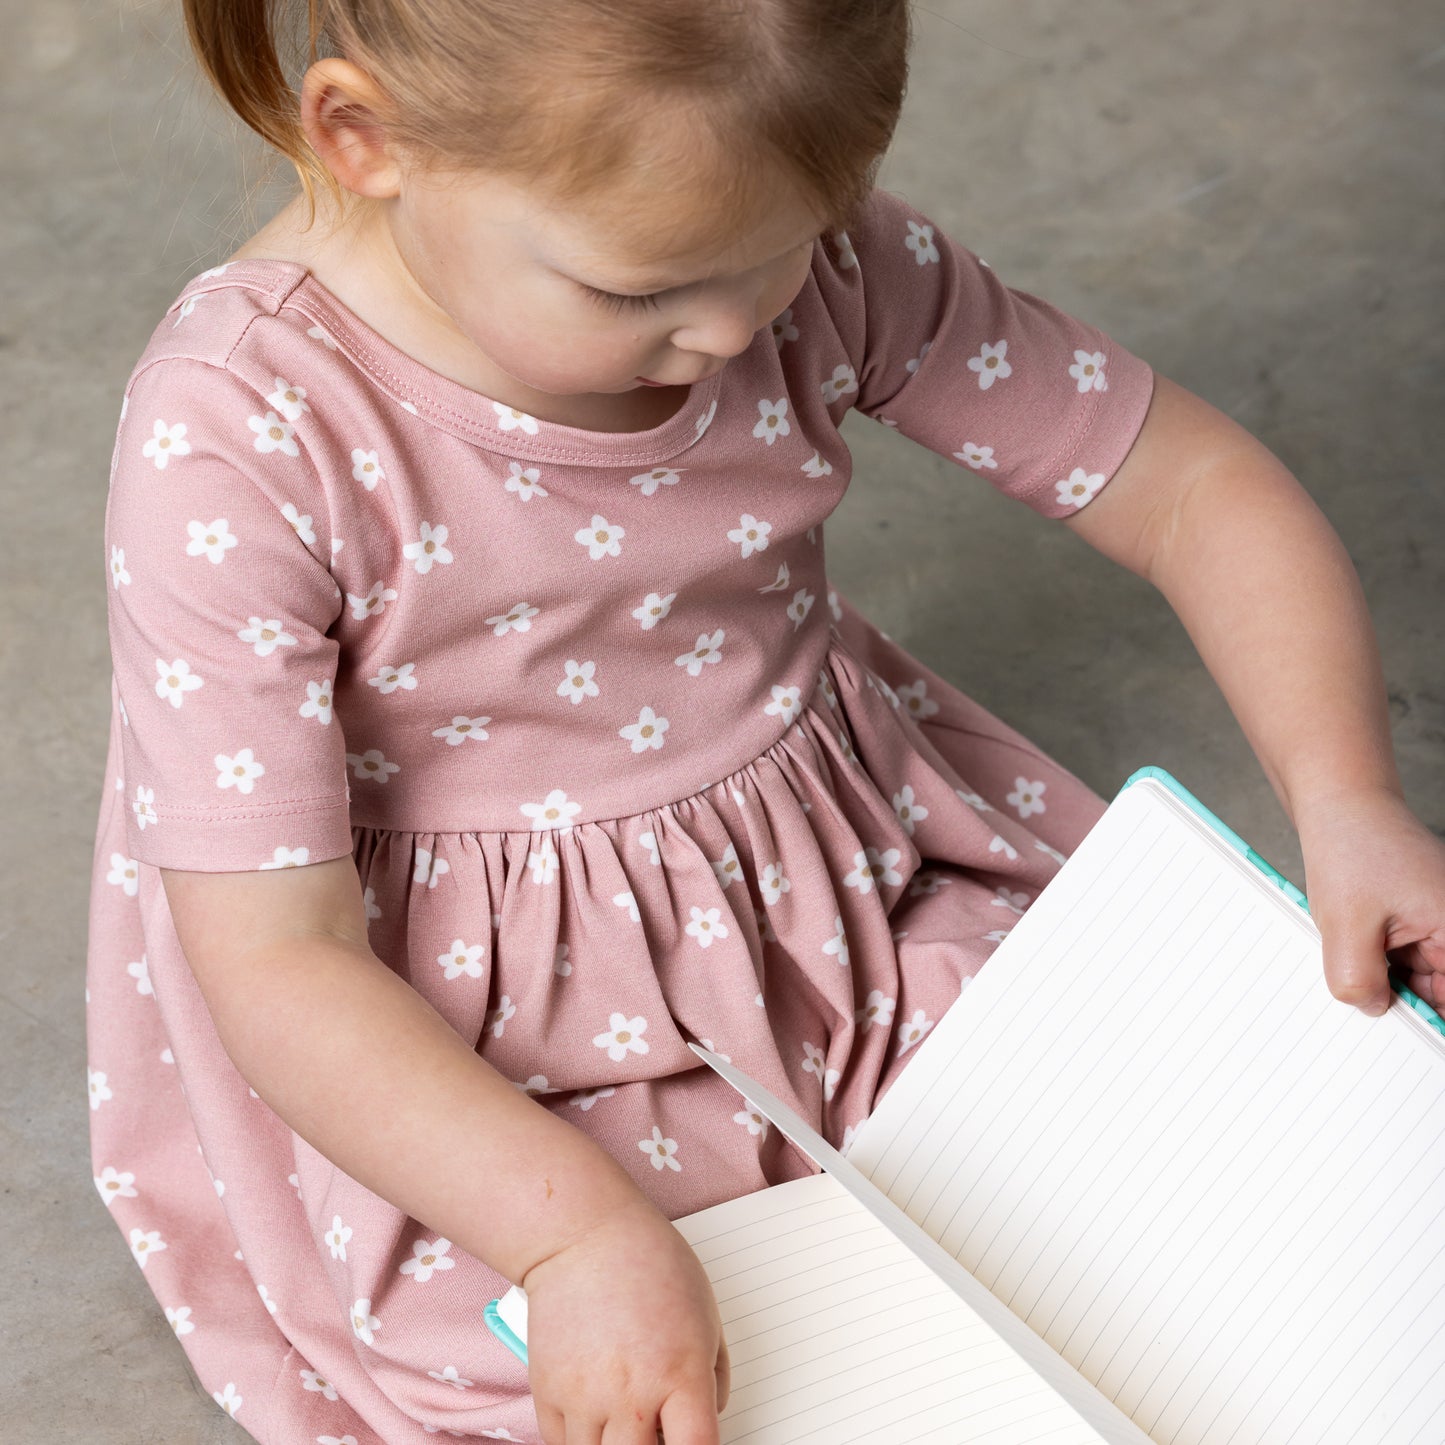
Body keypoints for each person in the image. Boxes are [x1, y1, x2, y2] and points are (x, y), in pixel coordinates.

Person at [85, 1, 1445, 1441]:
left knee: (1183, 1192)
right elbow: (279, 963)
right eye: (638, 289)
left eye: (787, 246)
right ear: (366, 139)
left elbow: (1185, 487)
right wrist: (570, 1237)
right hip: (447, 1038)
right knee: (665, 1377)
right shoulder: (241, 435)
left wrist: (1347, 798)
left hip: (838, 896)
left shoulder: (793, 261)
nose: (737, 329)